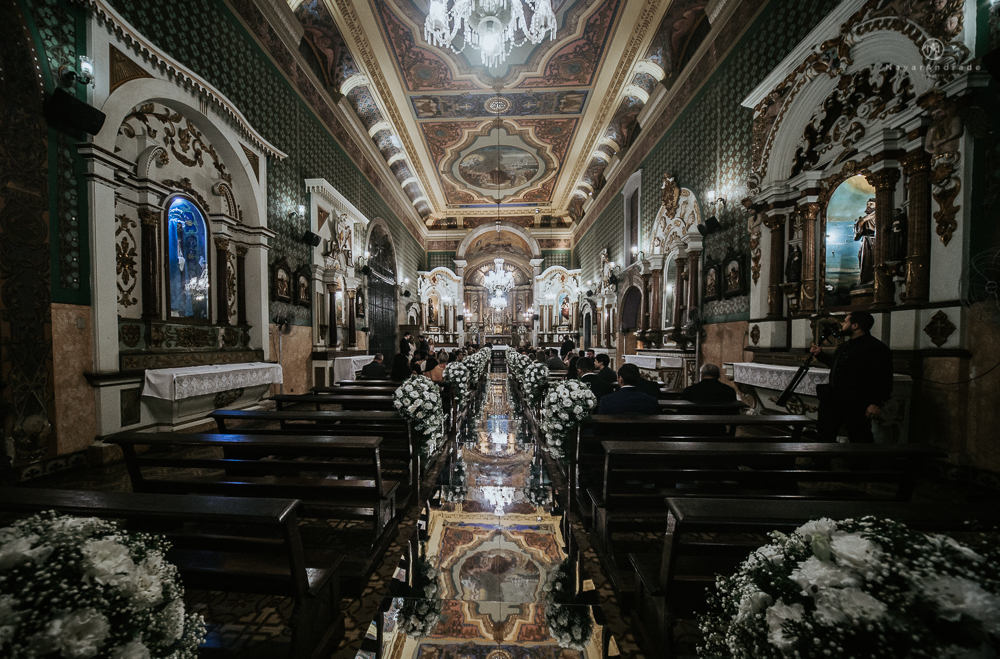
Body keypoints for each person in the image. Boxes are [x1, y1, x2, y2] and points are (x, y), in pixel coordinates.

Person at [809, 311, 892, 444]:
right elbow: (838, 366)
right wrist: (820, 355)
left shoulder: (876, 348)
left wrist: (876, 403)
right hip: (834, 398)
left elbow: (883, 377)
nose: (842, 324)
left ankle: (861, 464)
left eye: (846, 321)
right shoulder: (845, 345)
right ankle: (821, 463)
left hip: (856, 401)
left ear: (855, 326)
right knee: (825, 434)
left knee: (860, 436)